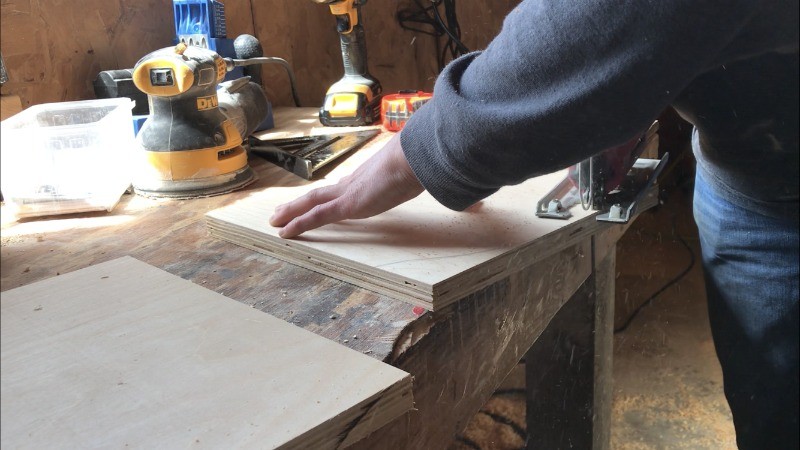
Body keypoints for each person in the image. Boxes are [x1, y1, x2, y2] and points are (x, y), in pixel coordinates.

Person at [270, 1, 798, 448]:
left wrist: (417, 155)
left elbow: (608, 15)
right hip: (749, 162)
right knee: (770, 409)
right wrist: (629, 92)